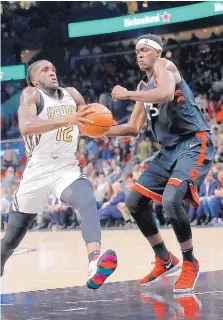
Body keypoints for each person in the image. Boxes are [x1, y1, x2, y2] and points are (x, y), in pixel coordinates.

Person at [108, 34, 214, 293]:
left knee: (170, 200)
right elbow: (133, 128)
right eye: (137, 51)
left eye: (145, 50)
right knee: (133, 202)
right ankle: (165, 259)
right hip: (168, 151)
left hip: (193, 142)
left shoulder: (166, 67)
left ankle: (190, 262)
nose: (140, 54)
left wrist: (128, 95)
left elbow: (166, 93)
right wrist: (98, 131)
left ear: (157, 52)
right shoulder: (144, 88)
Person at [0, 60, 117, 290]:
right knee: (12, 239)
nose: (52, 72)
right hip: (37, 170)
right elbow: (25, 125)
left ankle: (95, 262)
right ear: (34, 79)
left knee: (87, 201)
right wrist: (67, 119)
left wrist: (110, 128)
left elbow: (88, 125)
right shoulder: (31, 94)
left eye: (53, 68)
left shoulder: (72, 94)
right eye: (45, 70)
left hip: (65, 167)